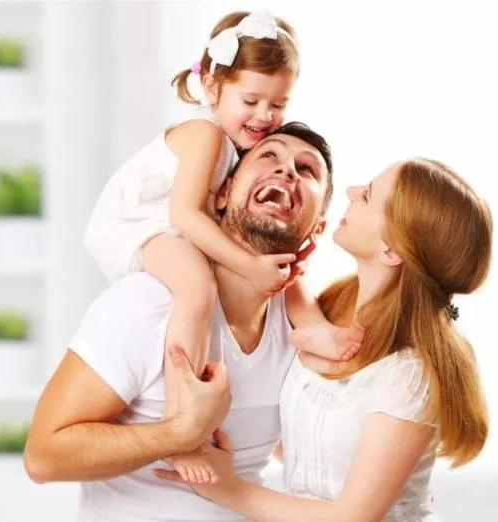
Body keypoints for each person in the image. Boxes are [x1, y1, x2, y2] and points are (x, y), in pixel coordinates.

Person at [82, 10, 357, 483]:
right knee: (196, 288)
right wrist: (249, 266)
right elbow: (185, 215)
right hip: (138, 222)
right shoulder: (205, 133)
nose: (265, 116)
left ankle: (310, 324)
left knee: (274, 257)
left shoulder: (240, 146)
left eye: (278, 104)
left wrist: (262, 268)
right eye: (251, 100)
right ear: (212, 87)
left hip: (181, 222)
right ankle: (182, 423)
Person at [24, 123, 341, 522]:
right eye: (268, 156)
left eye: (306, 169)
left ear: (317, 228)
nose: (287, 170)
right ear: (222, 194)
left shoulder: (301, 328)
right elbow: (43, 456)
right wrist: (177, 434)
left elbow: (295, 448)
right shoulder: (148, 302)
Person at [155, 158, 493, 521]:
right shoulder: (326, 314)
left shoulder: (408, 375)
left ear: (391, 251)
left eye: (367, 195)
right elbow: (313, 443)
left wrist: (226, 487)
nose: (351, 192)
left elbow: (351, 517)